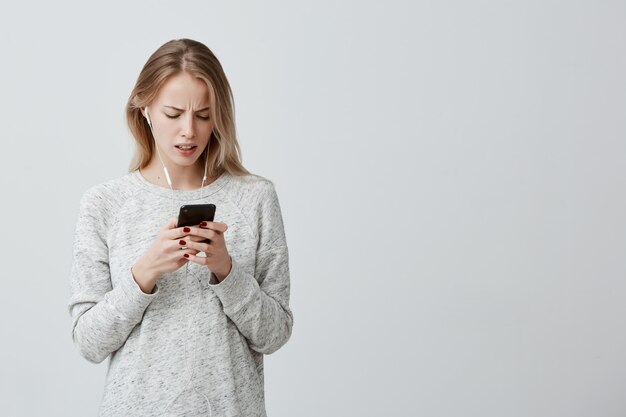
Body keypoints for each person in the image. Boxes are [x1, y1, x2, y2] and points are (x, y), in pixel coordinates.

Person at [68, 38, 293, 417]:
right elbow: (89, 343)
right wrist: (143, 274)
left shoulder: (255, 198)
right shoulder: (105, 203)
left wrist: (226, 271)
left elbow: (275, 334)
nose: (188, 131)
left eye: (203, 115)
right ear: (145, 108)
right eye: (173, 114)